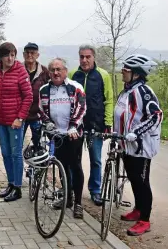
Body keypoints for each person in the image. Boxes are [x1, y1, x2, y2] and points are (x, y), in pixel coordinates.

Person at [114, 54, 162, 236]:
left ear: (136, 73)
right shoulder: (126, 91)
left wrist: (137, 132)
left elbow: (156, 115)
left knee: (142, 183)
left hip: (141, 147)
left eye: (126, 69)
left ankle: (145, 220)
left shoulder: (143, 91)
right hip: (127, 146)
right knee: (133, 179)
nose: (122, 71)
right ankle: (138, 209)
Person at [39, 58, 86, 218]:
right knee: (62, 167)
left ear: (65, 70)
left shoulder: (75, 87)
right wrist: (47, 123)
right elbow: (41, 110)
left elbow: (81, 108)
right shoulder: (44, 89)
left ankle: (78, 203)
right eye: (52, 69)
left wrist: (73, 125)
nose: (55, 72)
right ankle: (68, 198)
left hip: (73, 135)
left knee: (75, 167)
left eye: (59, 69)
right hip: (57, 135)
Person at [0, 42, 33, 202]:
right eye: (7, 55)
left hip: (15, 122)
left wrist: (20, 118)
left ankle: (18, 188)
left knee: (16, 154)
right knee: (5, 153)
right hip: (0, 121)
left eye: (13, 54)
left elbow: (28, 96)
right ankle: (11, 184)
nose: (10, 58)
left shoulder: (20, 71)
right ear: (1, 56)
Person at [68, 44, 113, 206]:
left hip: (96, 124)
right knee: (74, 159)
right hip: (77, 125)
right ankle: (72, 189)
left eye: (88, 57)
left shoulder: (103, 75)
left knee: (95, 160)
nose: (85, 60)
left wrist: (108, 122)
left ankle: (95, 190)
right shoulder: (73, 74)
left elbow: (108, 100)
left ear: (94, 57)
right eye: (82, 57)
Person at [22, 42, 50, 150]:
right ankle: (20, 166)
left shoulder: (44, 72)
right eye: (27, 53)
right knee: (17, 146)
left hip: (38, 115)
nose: (30, 55)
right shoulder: (18, 70)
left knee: (38, 145)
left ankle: (37, 166)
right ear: (24, 54)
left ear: (37, 55)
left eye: (32, 53)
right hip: (21, 116)